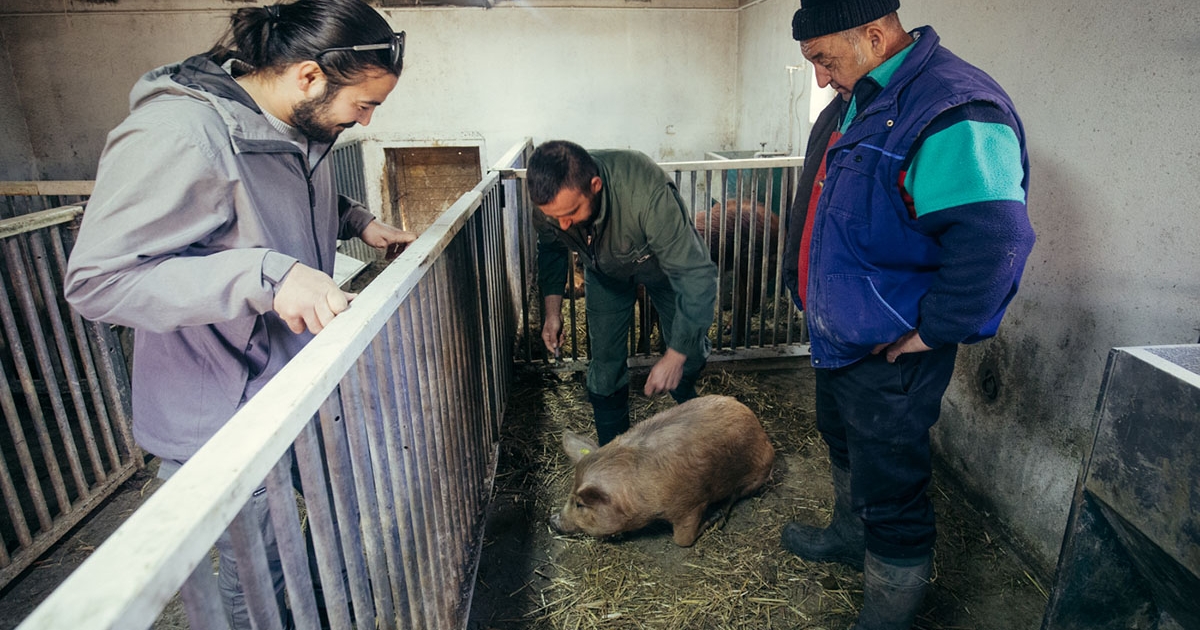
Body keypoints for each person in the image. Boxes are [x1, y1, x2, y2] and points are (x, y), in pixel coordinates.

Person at [63, 1, 413, 627]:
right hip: (219, 413)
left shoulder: (300, 128)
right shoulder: (179, 133)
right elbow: (98, 281)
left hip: (290, 387)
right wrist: (264, 275)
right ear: (309, 76)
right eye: (364, 105)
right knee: (256, 579)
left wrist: (361, 221)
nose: (363, 121)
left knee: (331, 528)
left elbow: (289, 193)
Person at [778, 1, 1036, 628]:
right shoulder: (856, 99)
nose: (818, 77)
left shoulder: (952, 109)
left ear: (873, 35)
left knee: (891, 479)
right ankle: (848, 534)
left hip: (891, 344)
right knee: (842, 438)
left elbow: (994, 239)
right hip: (842, 335)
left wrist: (934, 331)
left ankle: (889, 611)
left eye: (821, 59)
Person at [528, 140, 718, 445]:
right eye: (555, 217)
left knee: (689, 353)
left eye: (571, 212)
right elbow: (550, 249)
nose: (563, 224)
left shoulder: (646, 193)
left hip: (664, 270)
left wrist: (675, 355)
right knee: (603, 364)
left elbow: (696, 275)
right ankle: (613, 456)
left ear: (595, 186)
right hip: (605, 273)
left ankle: (700, 429)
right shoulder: (551, 206)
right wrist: (552, 313)